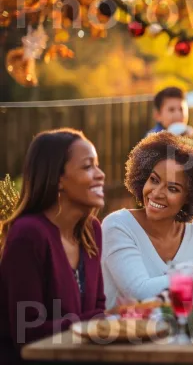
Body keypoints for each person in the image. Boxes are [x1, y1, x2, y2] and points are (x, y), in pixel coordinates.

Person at [0, 129, 107, 364]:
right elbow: (26, 332)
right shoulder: (28, 235)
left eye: (97, 165)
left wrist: (102, 319)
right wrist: (94, 321)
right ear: (58, 178)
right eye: (88, 166)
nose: (100, 174)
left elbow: (99, 306)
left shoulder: (92, 231)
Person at [101, 132, 193, 309]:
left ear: (189, 197)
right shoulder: (117, 226)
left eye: (172, 188)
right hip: (121, 332)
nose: (156, 193)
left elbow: (191, 298)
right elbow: (139, 292)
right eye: (154, 180)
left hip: (174, 332)